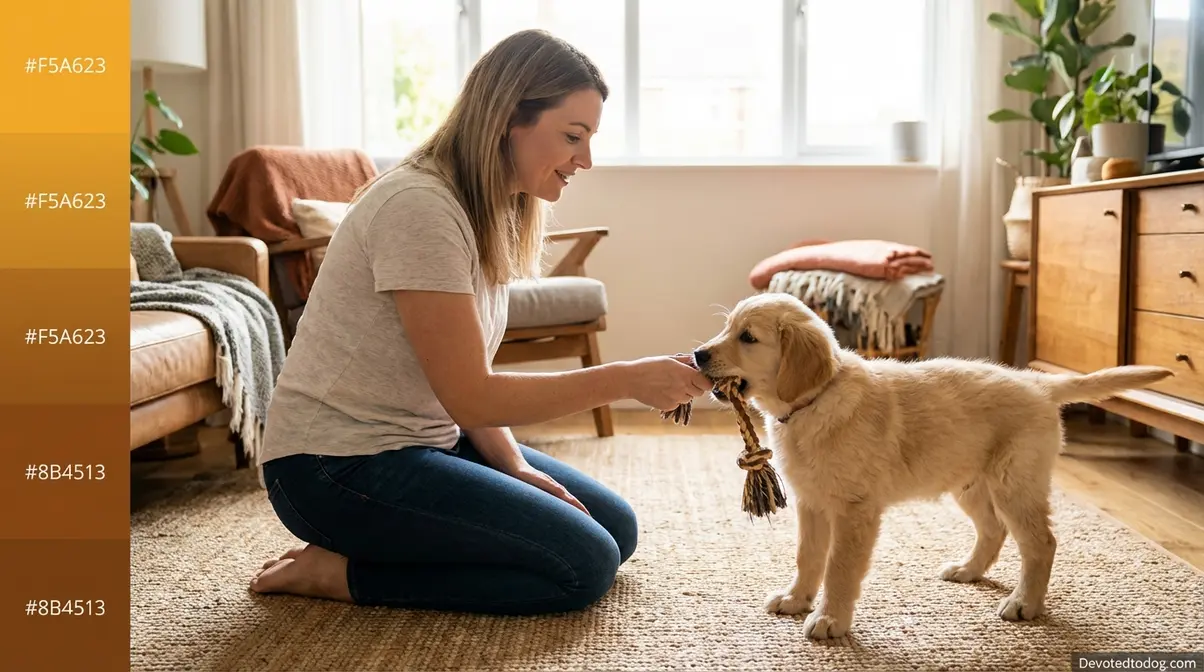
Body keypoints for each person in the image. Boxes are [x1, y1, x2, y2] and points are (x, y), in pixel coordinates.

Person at [249, 29, 712, 615]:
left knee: (615, 529)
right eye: (573, 136)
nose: (586, 160)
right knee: (584, 565)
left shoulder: (488, 209)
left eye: (589, 139)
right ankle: (341, 574)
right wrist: (625, 379)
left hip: (427, 441)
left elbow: (462, 388)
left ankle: (390, 547)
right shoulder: (419, 206)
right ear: (508, 119)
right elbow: (472, 394)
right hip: (331, 466)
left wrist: (513, 465)